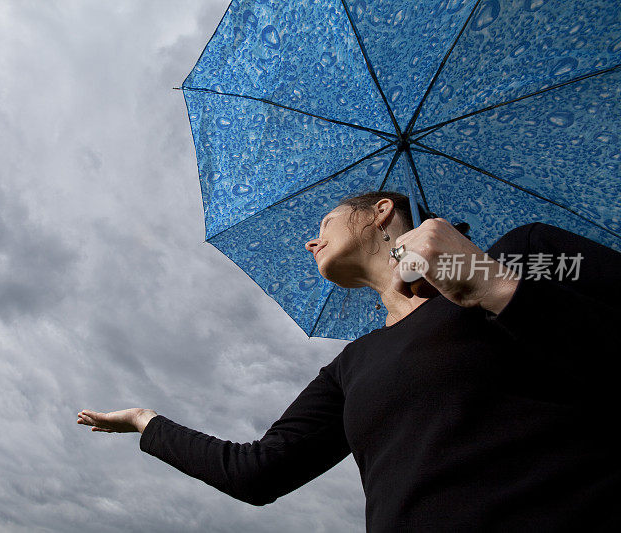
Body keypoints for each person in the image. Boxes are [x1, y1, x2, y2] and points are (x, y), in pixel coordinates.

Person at [77, 191, 621, 531]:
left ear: (380, 212)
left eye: (326, 222)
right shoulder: (351, 366)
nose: (312, 241)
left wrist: (493, 286)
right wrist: (145, 422)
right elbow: (258, 472)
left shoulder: (523, 253)